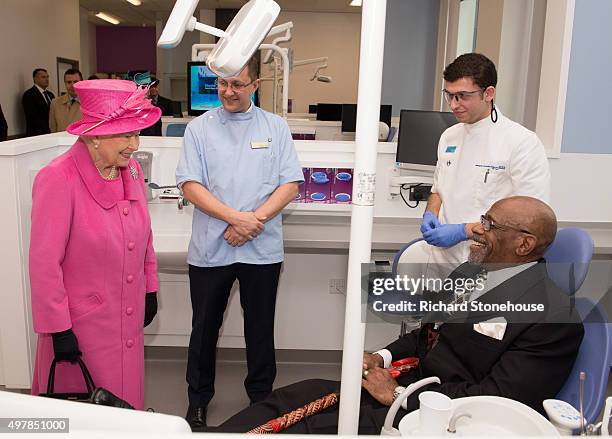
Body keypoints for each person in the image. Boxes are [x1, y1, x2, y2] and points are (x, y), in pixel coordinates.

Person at [201, 196, 583, 434]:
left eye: (489, 225)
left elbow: (494, 401)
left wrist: (397, 394)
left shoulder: (553, 318)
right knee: (289, 399)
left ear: (524, 244)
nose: (476, 230)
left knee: (311, 428)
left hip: (437, 416)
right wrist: (380, 357)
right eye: (482, 219)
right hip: (406, 385)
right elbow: (426, 334)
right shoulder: (472, 272)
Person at [176, 56, 304, 428]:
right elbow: (190, 185)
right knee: (203, 330)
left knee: (260, 328)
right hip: (210, 248)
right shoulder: (199, 129)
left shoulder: (275, 127)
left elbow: (290, 184)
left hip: (261, 250)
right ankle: (197, 401)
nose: (228, 92)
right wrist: (236, 219)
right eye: (222, 84)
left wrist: (254, 221)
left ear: (256, 83)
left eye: (237, 84)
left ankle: (262, 400)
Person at [29, 79, 162, 410]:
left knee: (126, 405)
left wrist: (150, 287)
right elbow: (44, 263)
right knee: (88, 413)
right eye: (126, 135)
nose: (135, 144)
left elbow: (144, 235)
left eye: (137, 133)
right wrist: (58, 329)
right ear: (94, 134)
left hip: (125, 317)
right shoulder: (58, 178)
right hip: (81, 331)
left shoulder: (130, 169)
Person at [421, 53, 550, 268]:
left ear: (488, 93)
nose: (453, 105)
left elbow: (531, 221)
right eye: (449, 95)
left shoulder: (521, 142)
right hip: (442, 260)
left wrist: (464, 231)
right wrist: (430, 213)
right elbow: (438, 189)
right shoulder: (449, 137)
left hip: (487, 262)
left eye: (462, 96)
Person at [22, 68, 55, 136]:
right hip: (37, 133)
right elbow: (32, 117)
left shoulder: (50, 95)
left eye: (47, 77)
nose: (47, 79)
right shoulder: (29, 95)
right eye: (43, 77)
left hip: (51, 132)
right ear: (35, 79)